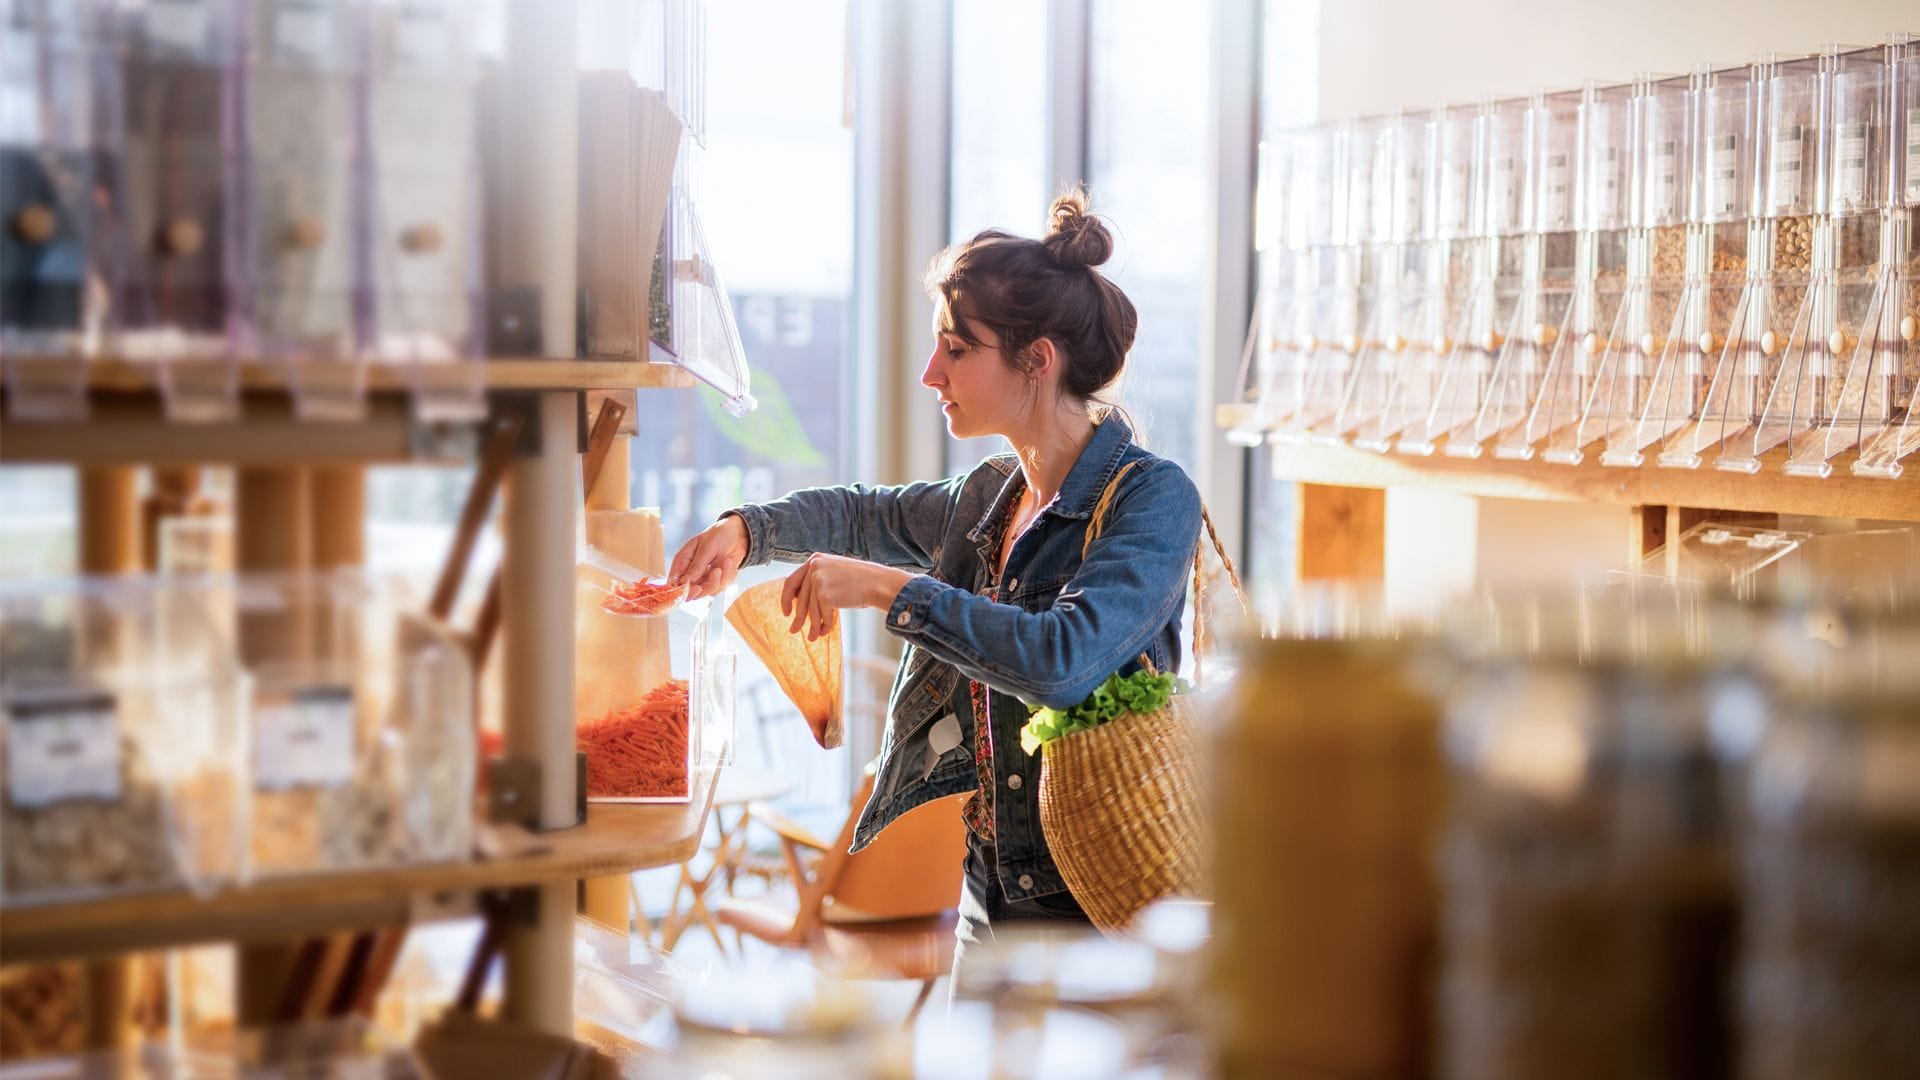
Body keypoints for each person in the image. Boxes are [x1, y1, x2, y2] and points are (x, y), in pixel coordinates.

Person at [667, 189, 1203, 976]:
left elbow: (1061, 659)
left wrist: (888, 591)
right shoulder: (992, 495)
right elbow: (858, 514)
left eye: (956, 349)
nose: (930, 373)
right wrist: (746, 532)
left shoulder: (1154, 498)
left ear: (1037, 360)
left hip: (1098, 909)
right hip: (990, 890)